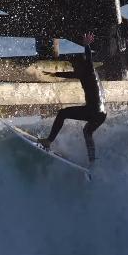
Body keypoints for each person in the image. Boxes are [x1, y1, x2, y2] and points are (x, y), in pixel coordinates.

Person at [38, 32, 107, 164]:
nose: (74, 68)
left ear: (82, 64)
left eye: (75, 66)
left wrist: (86, 45)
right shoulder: (85, 73)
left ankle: (48, 141)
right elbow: (71, 74)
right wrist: (55, 73)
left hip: (93, 110)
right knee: (87, 131)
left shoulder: (89, 69)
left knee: (62, 113)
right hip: (101, 114)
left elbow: (88, 58)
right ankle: (92, 161)